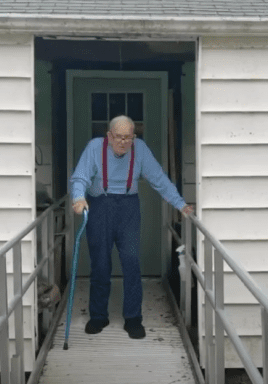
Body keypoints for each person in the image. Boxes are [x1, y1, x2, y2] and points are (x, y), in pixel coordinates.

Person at [70, 115, 193, 339]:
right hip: (100, 205)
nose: (124, 142)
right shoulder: (94, 147)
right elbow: (80, 177)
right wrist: (78, 198)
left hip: (128, 207)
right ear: (109, 135)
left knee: (131, 262)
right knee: (100, 263)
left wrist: (180, 204)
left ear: (134, 137)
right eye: (119, 137)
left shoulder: (140, 149)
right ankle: (98, 316)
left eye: (128, 138)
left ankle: (133, 318)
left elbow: (159, 179)